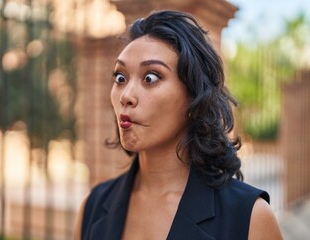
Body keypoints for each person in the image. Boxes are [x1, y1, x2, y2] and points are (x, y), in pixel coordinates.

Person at [74, 10, 283, 240]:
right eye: (120, 78)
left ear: (194, 98)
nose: (126, 95)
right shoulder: (92, 208)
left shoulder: (249, 217)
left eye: (150, 77)